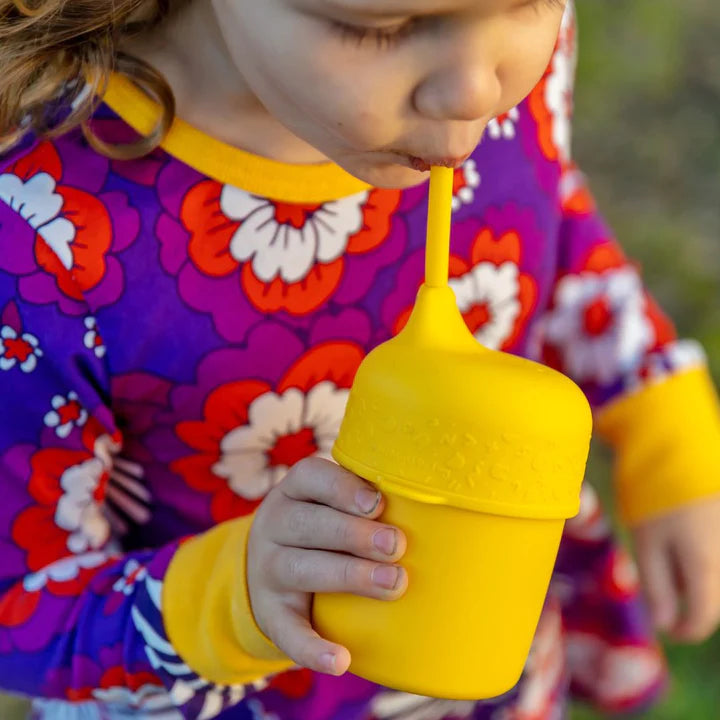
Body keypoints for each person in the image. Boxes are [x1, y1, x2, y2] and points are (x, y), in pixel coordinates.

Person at [1, 1, 720, 718]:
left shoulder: (495, 77)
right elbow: (18, 606)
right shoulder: (42, 243)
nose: (472, 89)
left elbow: (542, 209)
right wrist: (235, 597)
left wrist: (659, 413)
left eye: (523, 2)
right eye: (382, 28)